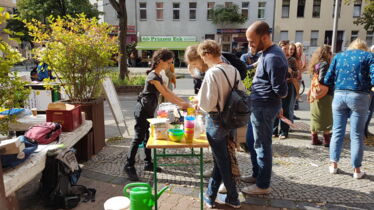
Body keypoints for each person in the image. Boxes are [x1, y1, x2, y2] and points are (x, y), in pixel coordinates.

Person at [124, 49, 190, 181]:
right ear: (160, 61)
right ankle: (129, 165)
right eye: (169, 63)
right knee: (138, 138)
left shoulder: (158, 76)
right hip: (142, 111)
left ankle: (148, 163)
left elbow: (169, 92)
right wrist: (183, 105)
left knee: (147, 137)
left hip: (149, 110)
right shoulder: (153, 77)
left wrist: (184, 103)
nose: (170, 66)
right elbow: (165, 95)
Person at [195, 40, 245, 208]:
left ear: (208, 54)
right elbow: (242, 93)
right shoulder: (233, 70)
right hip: (231, 120)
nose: (203, 60)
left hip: (216, 120)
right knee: (221, 159)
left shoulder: (212, 73)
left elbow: (207, 104)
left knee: (222, 161)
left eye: (203, 56)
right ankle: (210, 195)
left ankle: (233, 197)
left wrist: (198, 104)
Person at [241, 21, 288, 195]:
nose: (250, 45)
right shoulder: (266, 53)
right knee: (252, 141)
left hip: (264, 106)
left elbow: (281, 90)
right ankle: (256, 175)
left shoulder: (273, 57)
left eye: (252, 41)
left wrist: (279, 102)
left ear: (265, 37)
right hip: (259, 105)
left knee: (262, 145)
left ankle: (263, 185)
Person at [324, 38, 374, 179]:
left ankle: (333, 165)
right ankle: (357, 170)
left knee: (338, 131)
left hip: (339, 95)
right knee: (356, 134)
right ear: (364, 47)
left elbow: (327, 79)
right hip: (360, 96)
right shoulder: (369, 56)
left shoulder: (339, 56)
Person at [308, 45, 333, 146]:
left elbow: (314, 78)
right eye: (330, 53)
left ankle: (314, 139)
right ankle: (326, 140)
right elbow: (323, 79)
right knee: (326, 116)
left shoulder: (316, 64)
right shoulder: (325, 64)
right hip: (324, 94)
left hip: (315, 92)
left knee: (315, 116)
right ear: (327, 53)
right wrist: (331, 81)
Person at [273, 40, 298, 139]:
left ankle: (284, 132)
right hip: (277, 86)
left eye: (288, 48)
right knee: (275, 108)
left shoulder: (291, 60)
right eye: (285, 48)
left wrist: (290, 70)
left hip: (288, 86)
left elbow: (296, 74)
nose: (287, 50)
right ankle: (274, 130)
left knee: (286, 109)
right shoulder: (276, 58)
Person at [364, 45, 374, 138]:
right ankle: (363, 131)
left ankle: (365, 130)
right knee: (368, 110)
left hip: (370, 88)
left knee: (370, 110)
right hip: (370, 88)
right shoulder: (370, 59)